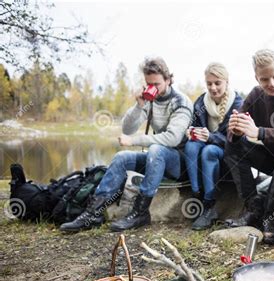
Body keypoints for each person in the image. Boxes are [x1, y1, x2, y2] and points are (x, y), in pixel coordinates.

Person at [60, 57, 193, 233]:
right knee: (122, 157)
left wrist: (135, 141)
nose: (152, 88)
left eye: (157, 84)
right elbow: (127, 128)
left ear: (168, 80)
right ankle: (94, 213)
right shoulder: (151, 99)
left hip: (180, 163)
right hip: (157, 159)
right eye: (148, 83)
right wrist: (139, 106)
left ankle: (140, 212)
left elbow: (173, 138)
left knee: (156, 149)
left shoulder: (181, 101)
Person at [225, 49, 274, 244]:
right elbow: (232, 131)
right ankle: (253, 208)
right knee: (232, 148)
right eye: (264, 79)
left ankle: (272, 217)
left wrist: (259, 132)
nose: (271, 83)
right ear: (256, 78)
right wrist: (235, 130)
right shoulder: (255, 95)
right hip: (267, 156)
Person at [183, 62, 243, 230]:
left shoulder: (237, 104)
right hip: (204, 155)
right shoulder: (201, 102)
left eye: (217, 83)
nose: (213, 88)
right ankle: (196, 194)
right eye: (209, 83)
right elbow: (194, 126)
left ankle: (209, 205)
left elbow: (235, 141)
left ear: (227, 82)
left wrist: (209, 136)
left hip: (228, 157)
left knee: (209, 150)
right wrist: (191, 132)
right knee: (191, 145)